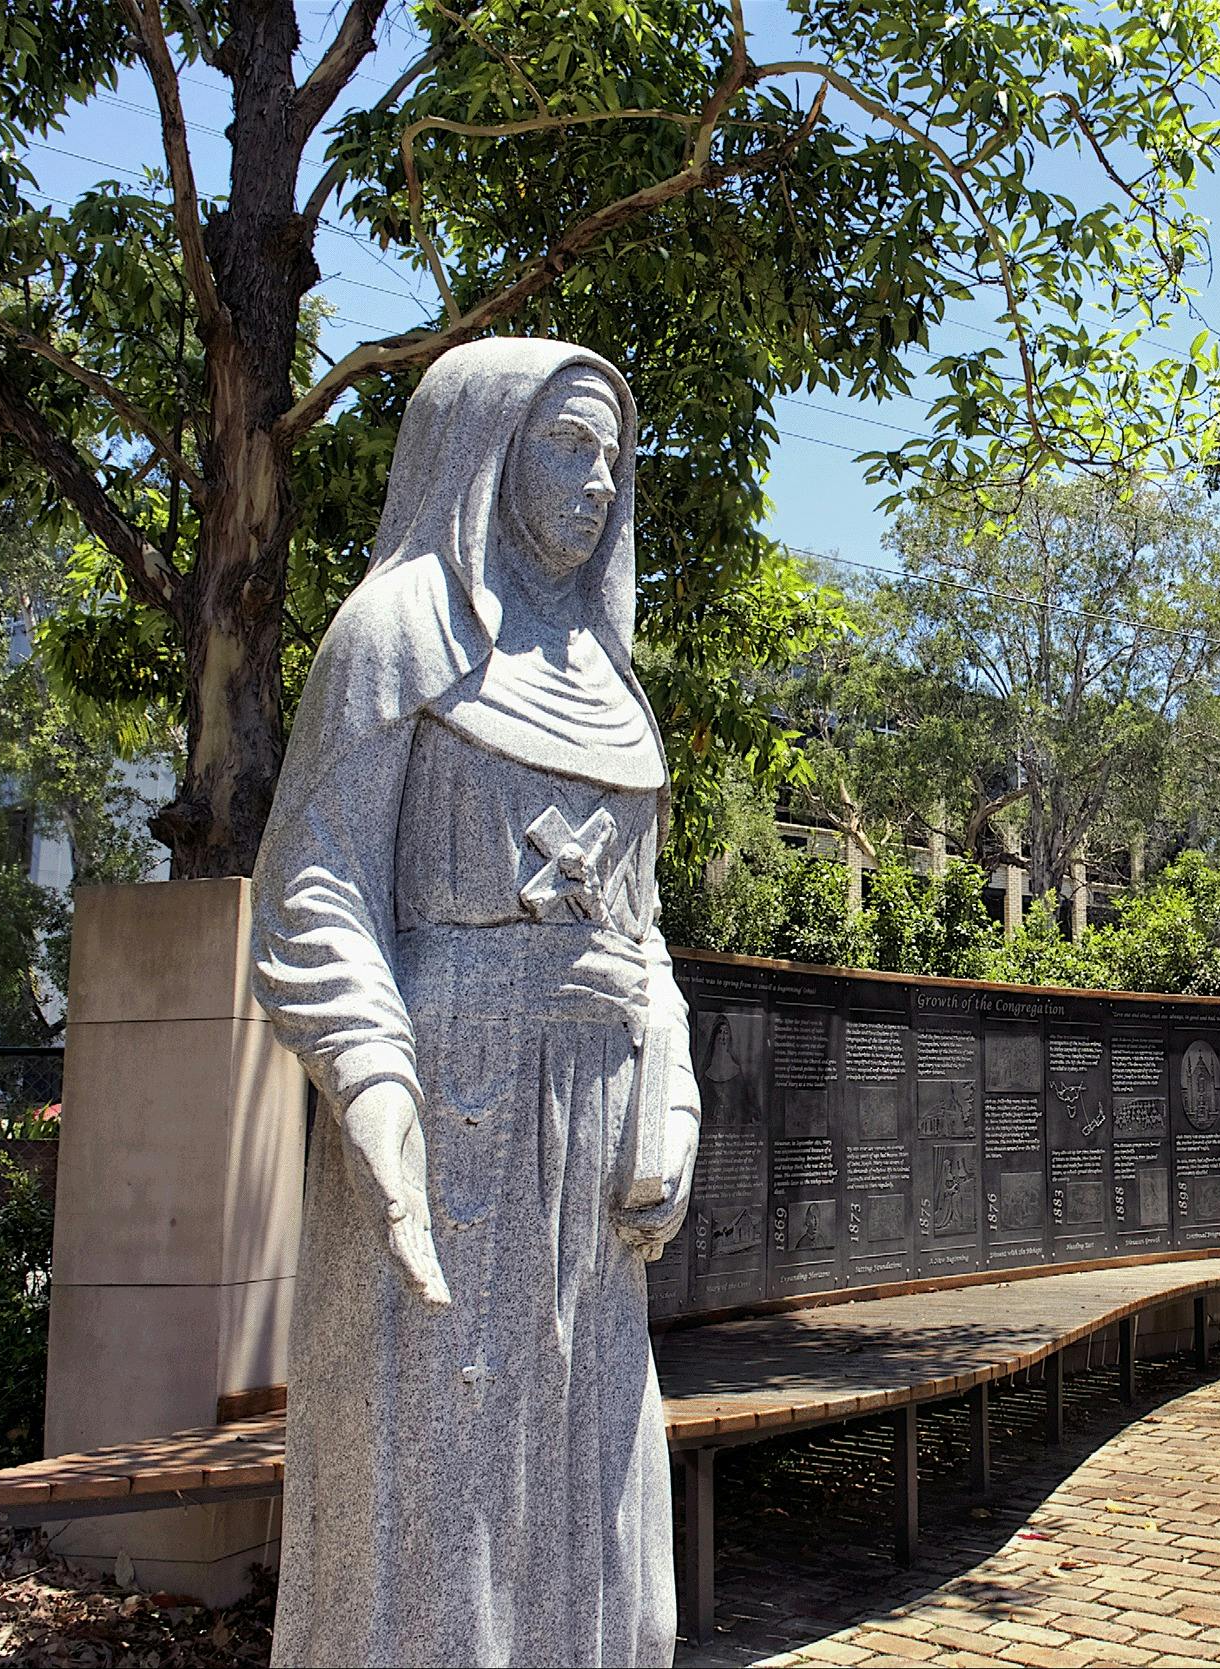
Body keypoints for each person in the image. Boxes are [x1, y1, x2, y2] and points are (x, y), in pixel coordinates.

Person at [252, 339, 702, 1667]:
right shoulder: (397, 632)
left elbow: (641, 932)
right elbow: (318, 877)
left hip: (595, 1162)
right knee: (442, 1495)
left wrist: (671, 1094)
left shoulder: (610, 676)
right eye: (568, 443)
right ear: (484, 446)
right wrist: (371, 1079)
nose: (599, 480)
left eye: (613, 455)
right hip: (456, 1115)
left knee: (589, 1488)